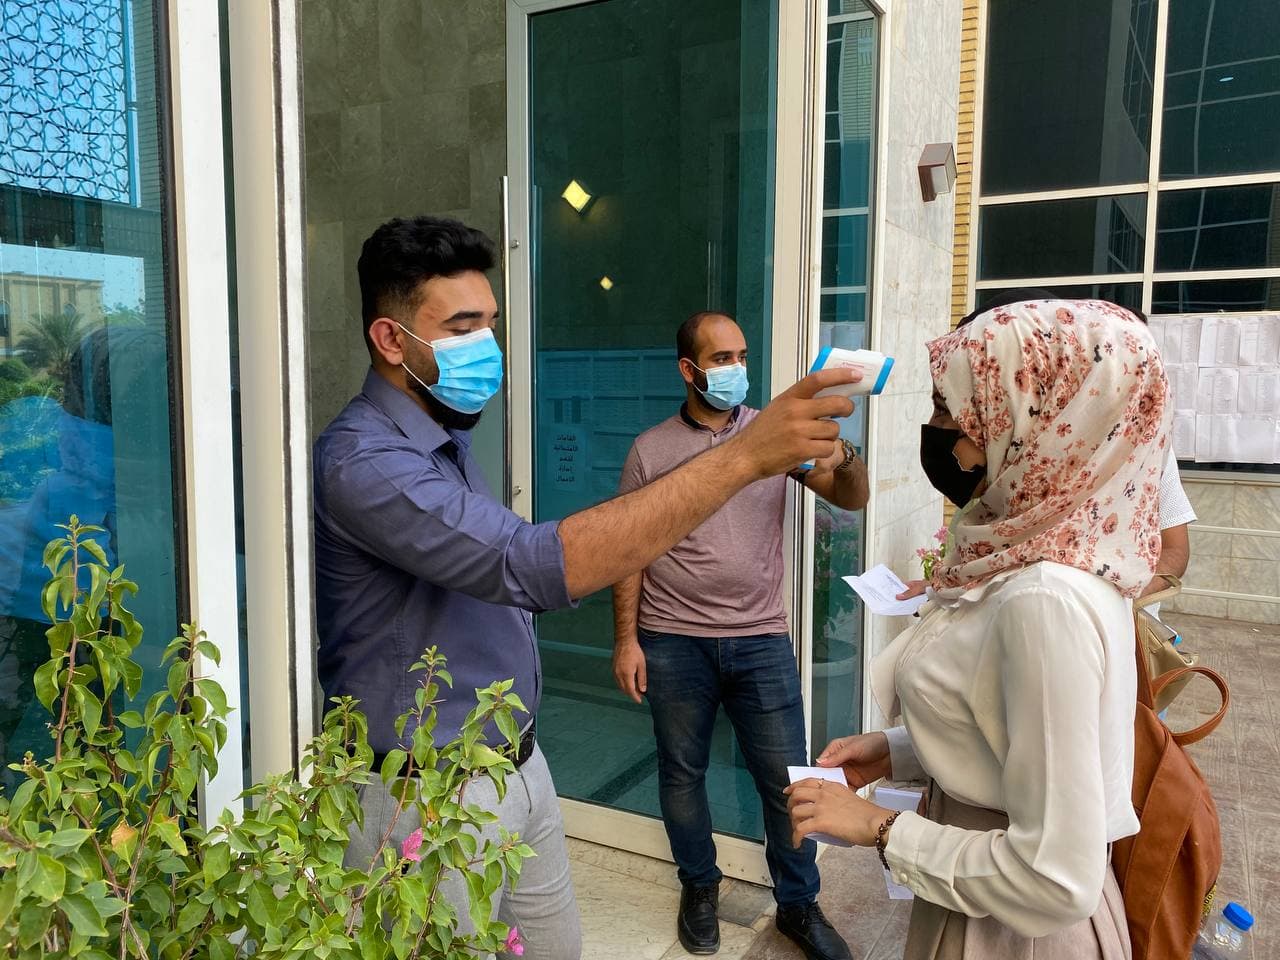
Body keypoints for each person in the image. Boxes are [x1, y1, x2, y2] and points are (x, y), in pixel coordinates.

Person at [312, 217, 860, 960]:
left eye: (490, 324)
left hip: (514, 765)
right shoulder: (366, 461)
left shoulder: (444, 445)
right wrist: (743, 458)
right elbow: (527, 565)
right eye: (463, 328)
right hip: (424, 795)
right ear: (389, 338)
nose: (487, 347)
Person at [787, 299, 1170, 959]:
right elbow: (1020, 735)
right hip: (985, 897)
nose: (951, 442)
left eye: (959, 414)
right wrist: (900, 750)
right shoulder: (1068, 551)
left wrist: (878, 827)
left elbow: (1055, 879)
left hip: (1009, 932)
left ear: (1042, 420)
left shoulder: (1044, 598)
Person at [612, 312, 867, 959]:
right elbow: (628, 551)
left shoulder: (769, 433)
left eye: (741, 356)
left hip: (760, 638)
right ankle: (700, 886)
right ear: (688, 369)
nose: (736, 369)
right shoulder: (650, 450)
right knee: (681, 774)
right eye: (721, 359)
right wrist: (626, 640)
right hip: (672, 640)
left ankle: (799, 905)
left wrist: (846, 454)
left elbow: (850, 497)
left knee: (789, 781)